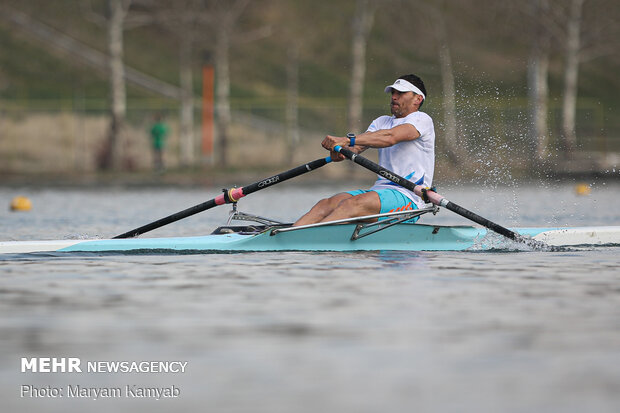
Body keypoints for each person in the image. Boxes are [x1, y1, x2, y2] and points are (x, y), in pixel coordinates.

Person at [293, 74, 435, 226]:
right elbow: (352, 150)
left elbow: (390, 137)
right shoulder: (381, 122)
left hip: (409, 197)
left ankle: (312, 238)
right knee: (326, 204)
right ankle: (287, 238)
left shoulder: (422, 120)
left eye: (400, 93)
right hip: (380, 192)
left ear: (417, 99)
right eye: (393, 93)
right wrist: (338, 150)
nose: (394, 97)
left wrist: (347, 139)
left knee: (351, 205)